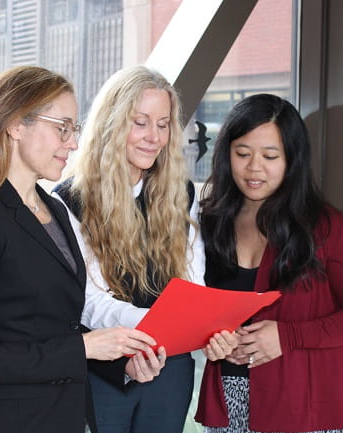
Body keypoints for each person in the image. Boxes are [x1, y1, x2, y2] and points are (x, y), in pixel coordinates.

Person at [0, 65, 163, 433]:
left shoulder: (56, 209)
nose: (73, 143)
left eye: (74, 130)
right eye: (62, 127)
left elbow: (62, 321)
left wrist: (118, 361)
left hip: (66, 416)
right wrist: (85, 348)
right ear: (16, 125)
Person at [53, 65, 237, 433]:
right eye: (140, 122)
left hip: (171, 366)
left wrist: (210, 328)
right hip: (108, 369)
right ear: (112, 124)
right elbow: (90, 301)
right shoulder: (70, 201)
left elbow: (192, 282)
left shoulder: (181, 193)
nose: (154, 137)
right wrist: (160, 327)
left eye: (163, 124)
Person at [195, 94, 343, 433]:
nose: (254, 168)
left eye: (270, 156)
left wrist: (288, 336)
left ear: (292, 160)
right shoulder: (209, 221)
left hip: (303, 407)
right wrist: (216, 339)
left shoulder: (329, 228)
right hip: (228, 398)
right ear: (226, 155)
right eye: (242, 154)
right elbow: (199, 309)